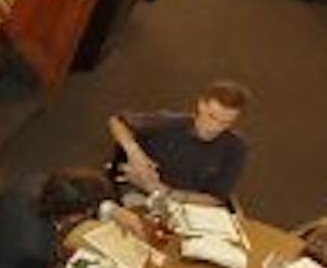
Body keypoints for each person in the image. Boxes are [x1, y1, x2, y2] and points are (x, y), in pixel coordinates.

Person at [107, 80, 251, 203]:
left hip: (182, 201)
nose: (214, 128)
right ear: (201, 105)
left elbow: (216, 197)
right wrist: (135, 154)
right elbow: (117, 121)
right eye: (211, 117)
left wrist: (163, 191)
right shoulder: (170, 123)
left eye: (225, 123)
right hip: (139, 193)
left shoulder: (236, 147)